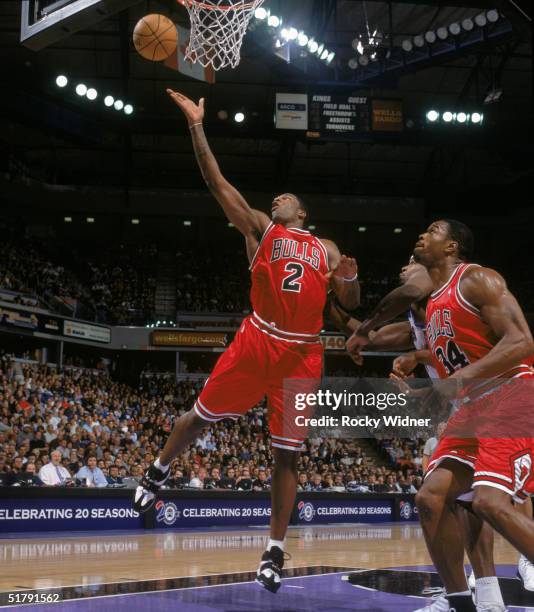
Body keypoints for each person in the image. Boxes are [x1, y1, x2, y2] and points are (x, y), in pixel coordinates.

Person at [133, 89, 359, 594]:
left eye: (286, 197)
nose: (277, 198)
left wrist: (348, 278)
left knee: (287, 457)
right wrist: (196, 126)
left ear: (302, 211)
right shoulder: (259, 230)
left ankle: (274, 551)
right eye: (274, 198)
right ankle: (157, 470)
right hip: (258, 340)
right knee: (197, 419)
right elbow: (216, 182)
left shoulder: (325, 247)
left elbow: (349, 300)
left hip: (303, 351)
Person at [407, 219, 534, 612]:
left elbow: (522, 341)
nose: (423, 234)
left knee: (490, 503)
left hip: (512, 393)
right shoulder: (432, 303)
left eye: (434, 229)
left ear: (452, 247)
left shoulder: (476, 279)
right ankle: (462, 604)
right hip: (472, 408)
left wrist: (457, 380)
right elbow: (459, 365)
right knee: (431, 498)